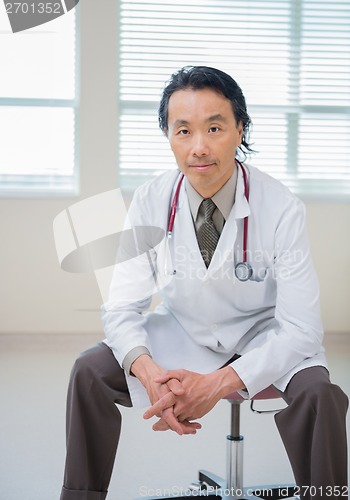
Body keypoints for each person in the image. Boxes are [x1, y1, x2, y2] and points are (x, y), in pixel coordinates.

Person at [60, 66, 348, 500]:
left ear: (239, 129)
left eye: (215, 127)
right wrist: (150, 372)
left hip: (262, 336)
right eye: (183, 130)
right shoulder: (152, 199)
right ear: (168, 135)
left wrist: (217, 383)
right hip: (183, 330)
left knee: (321, 395)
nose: (199, 147)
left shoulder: (281, 207)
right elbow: (121, 307)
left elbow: (302, 329)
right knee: (89, 371)